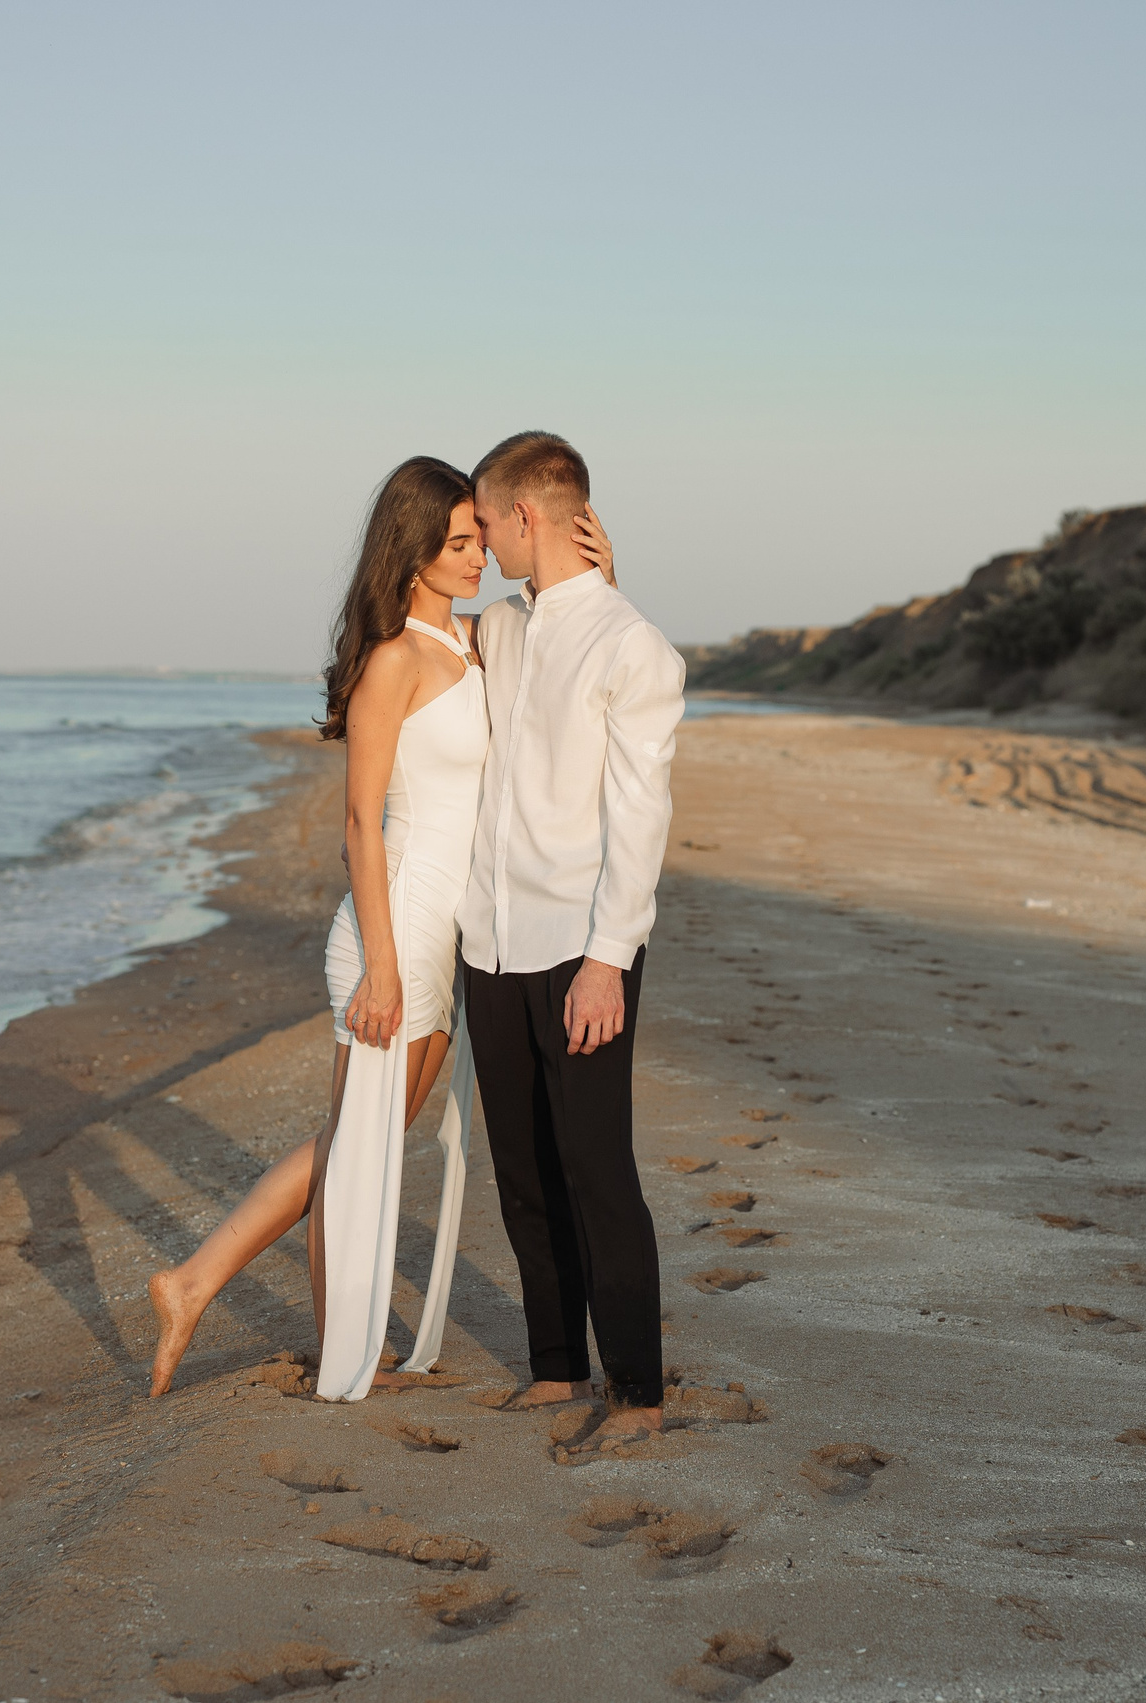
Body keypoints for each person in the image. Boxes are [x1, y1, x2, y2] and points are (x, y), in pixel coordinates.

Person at [145, 455, 613, 1398]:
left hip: (447, 932)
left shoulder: (475, 643)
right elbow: (361, 822)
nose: (478, 555)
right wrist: (383, 968)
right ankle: (287, 1328)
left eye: (480, 536)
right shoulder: (396, 663)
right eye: (457, 543)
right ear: (410, 554)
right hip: (391, 929)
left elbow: (571, 645)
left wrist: (603, 572)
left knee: (361, 1142)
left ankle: (212, 1287)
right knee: (357, 1143)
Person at [458, 431, 685, 1442]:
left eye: (483, 520)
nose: (478, 540)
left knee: (597, 1169)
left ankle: (636, 1388)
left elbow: (641, 817)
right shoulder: (501, 630)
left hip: (579, 946)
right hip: (488, 942)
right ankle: (556, 1363)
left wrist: (607, 961)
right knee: (523, 1167)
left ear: (525, 517)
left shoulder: (632, 645)